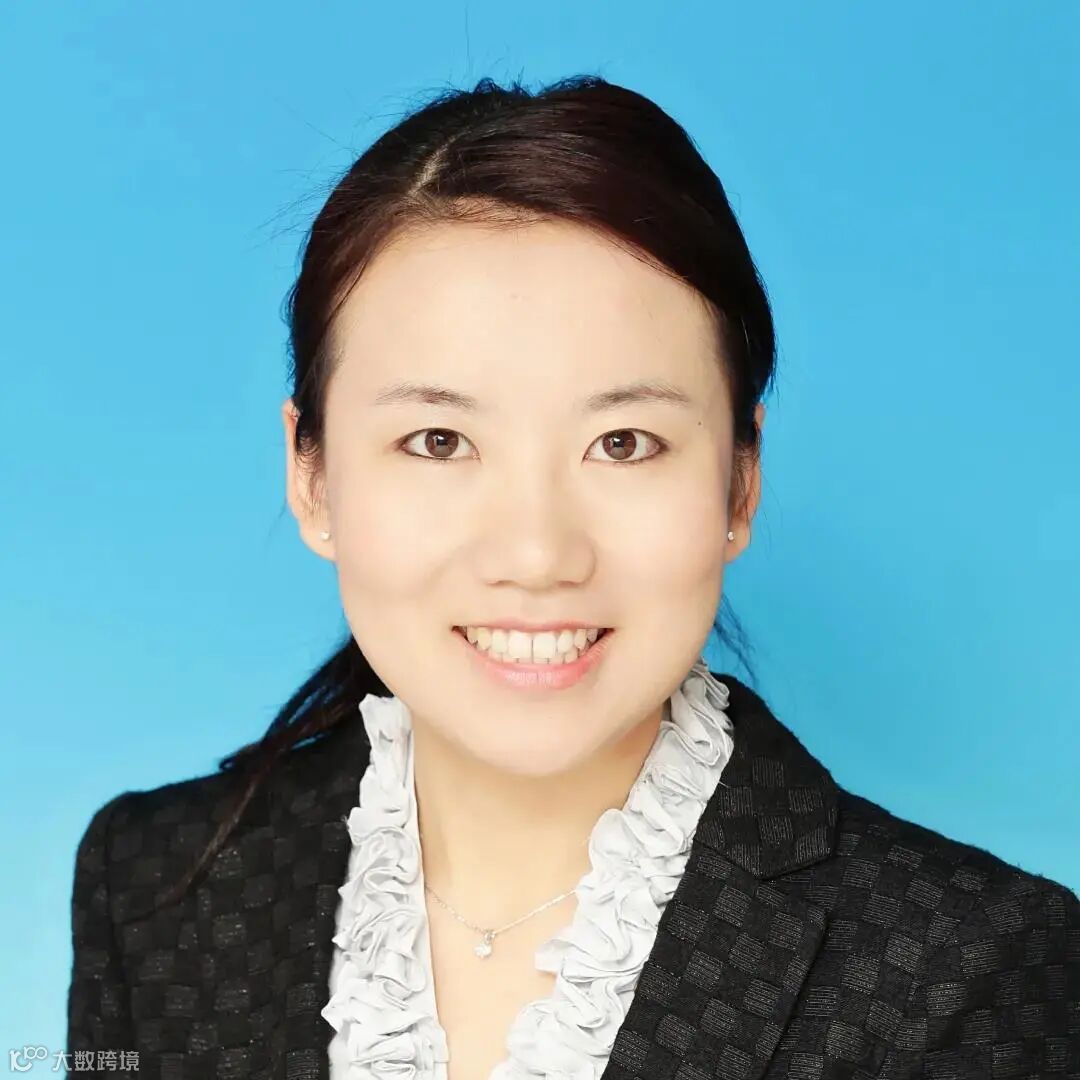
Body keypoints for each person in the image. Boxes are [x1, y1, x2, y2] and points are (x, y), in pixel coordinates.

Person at [67, 74, 1078, 1080]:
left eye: (623, 442)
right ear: (313, 478)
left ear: (739, 481)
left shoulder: (975, 969)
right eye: (438, 440)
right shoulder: (151, 887)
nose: (537, 553)